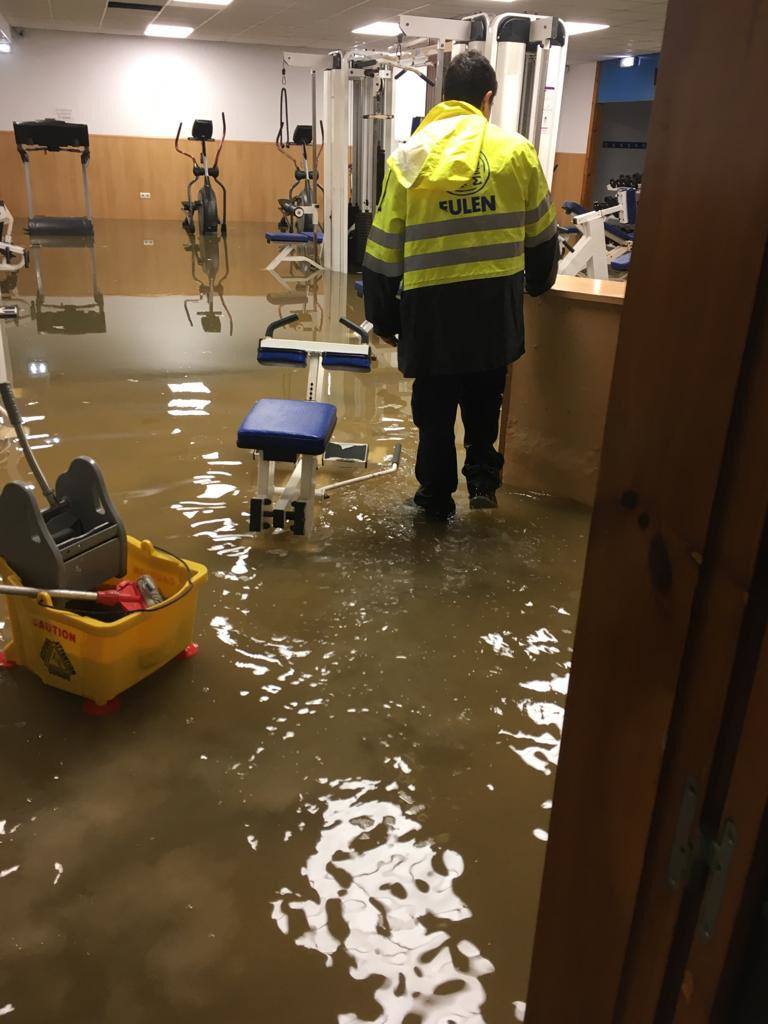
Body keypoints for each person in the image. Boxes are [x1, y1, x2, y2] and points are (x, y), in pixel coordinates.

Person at [363, 50, 559, 520]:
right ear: (488, 98)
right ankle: (483, 484)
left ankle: (434, 500)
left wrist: (385, 319)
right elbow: (543, 234)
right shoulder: (516, 152)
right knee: (485, 398)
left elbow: (383, 248)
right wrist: (538, 285)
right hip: (494, 304)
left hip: (431, 310)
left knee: (433, 412)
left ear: (444, 98)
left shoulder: (409, 157)